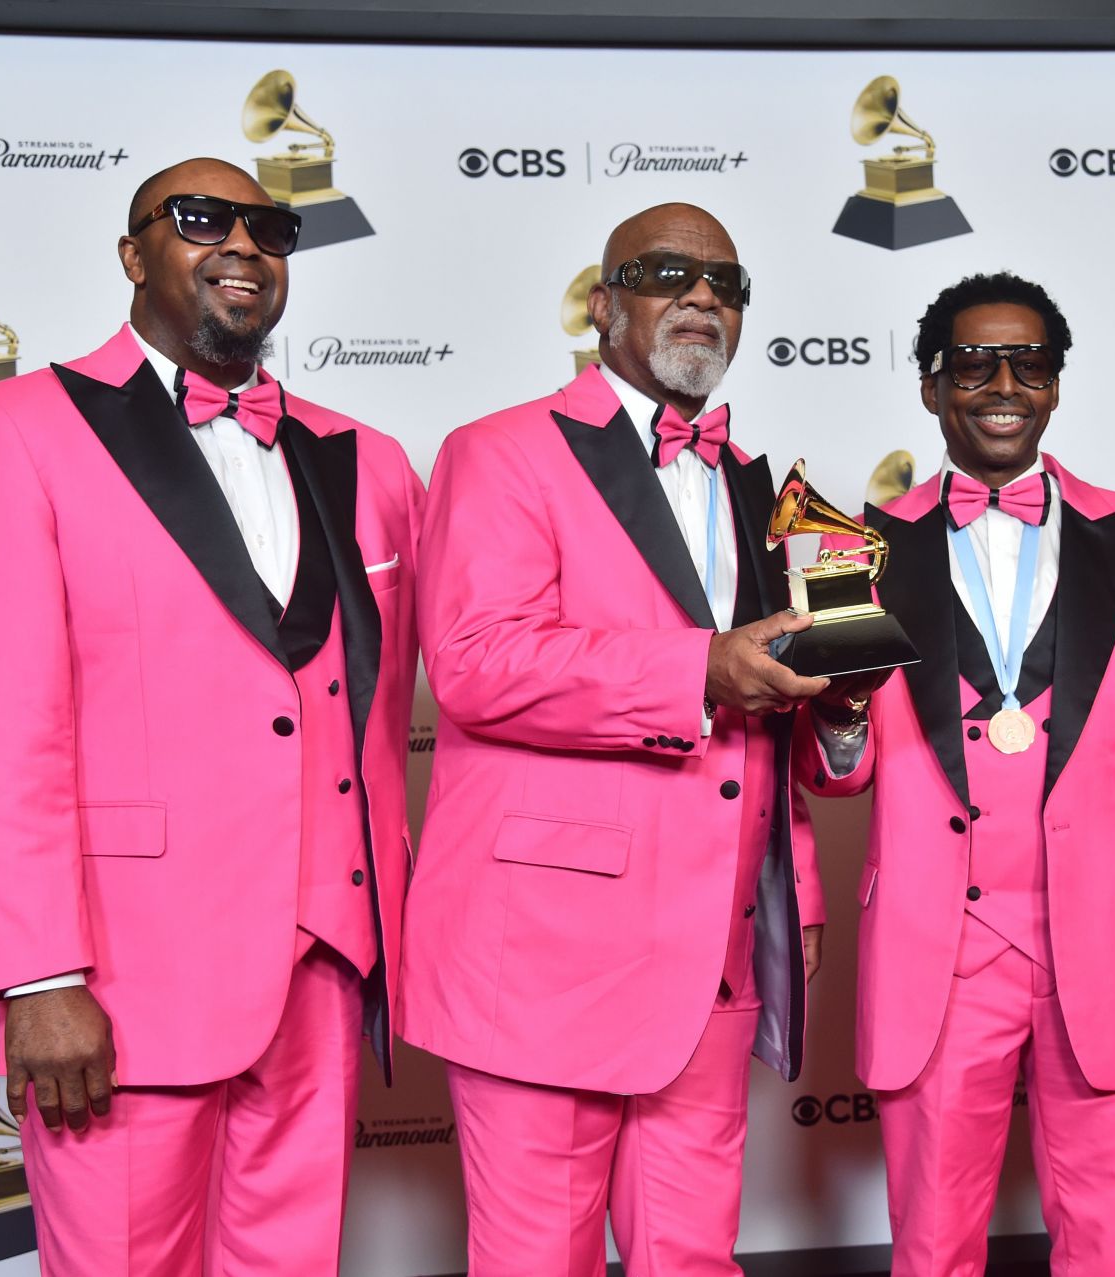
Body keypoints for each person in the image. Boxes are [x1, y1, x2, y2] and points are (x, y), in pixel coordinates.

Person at [0, 158, 423, 1275]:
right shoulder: (12, 432)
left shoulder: (364, 456)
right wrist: (40, 977)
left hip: (323, 970)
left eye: (270, 228)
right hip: (121, 981)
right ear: (135, 254)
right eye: (201, 220)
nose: (243, 245)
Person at [400, 202, 826, 1276]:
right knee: (539, 1257)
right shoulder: (500, 450)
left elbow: (779, 723)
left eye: (725, 282)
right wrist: (698, 665)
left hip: (717, 951)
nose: (701, 295)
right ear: (602, 306)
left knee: (693, 1256)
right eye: (667, 272)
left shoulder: (763, 488)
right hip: (547, 953)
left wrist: (800, 886)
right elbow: (476, 662)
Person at [803, 272, 1115, 1276]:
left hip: (1112, 942)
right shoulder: (848, 551)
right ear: (930, 386)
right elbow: (840, 775)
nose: (1002, 381)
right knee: (932, 1241)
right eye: (972, 361)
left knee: (1106, 1237)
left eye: (1028, 361)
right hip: (937, 946)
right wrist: (838, 708)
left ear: (1053, 385)